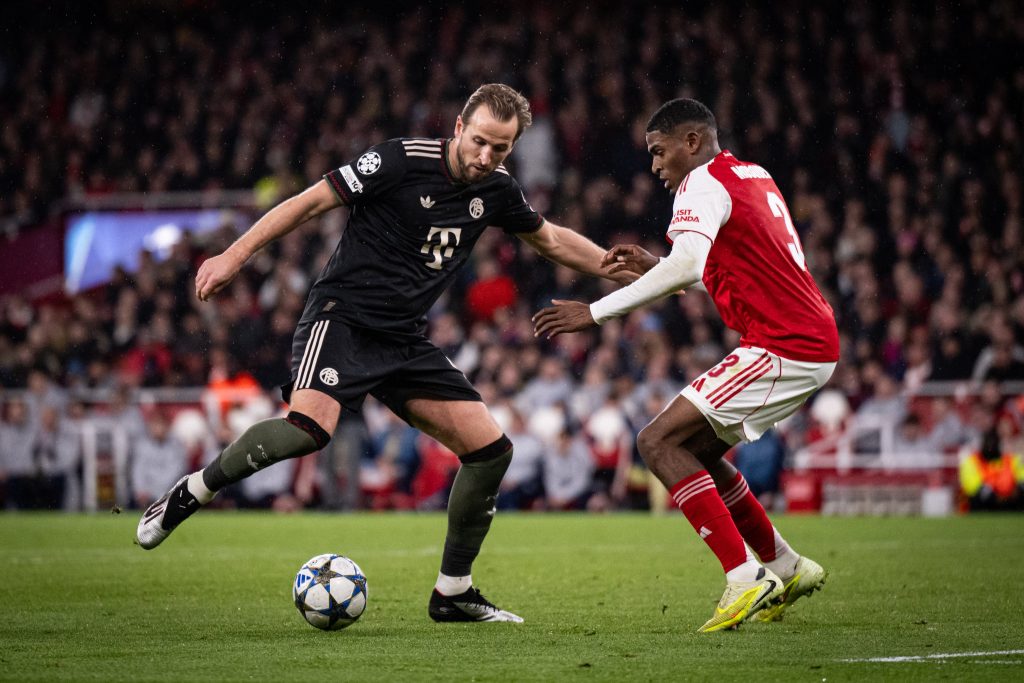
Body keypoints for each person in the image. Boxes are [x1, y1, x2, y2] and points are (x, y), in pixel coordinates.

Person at [136, 83, 630, 624]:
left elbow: (554, 241)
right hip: (342, 319)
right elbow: (309, 202)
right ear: (459, 127)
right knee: (308, 428)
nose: (487, 157)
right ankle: (191, 492)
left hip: (404, 338)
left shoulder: (497, 190)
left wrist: (635, 272)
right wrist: (235, 255)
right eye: (482, 142)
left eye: (502, 149)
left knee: (491, 451)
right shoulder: (397, 160)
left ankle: (453, 593)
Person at [533, 98, 840, 632]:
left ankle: (746, 579)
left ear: (691, 142)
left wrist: (596, 312)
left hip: (784, 343)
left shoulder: (699, 183)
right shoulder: (752, 173)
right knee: (694, 450)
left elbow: (688, 265)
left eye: (658, 151)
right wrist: (661, 266)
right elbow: (729, 268)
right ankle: (787, 567)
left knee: (654, 442)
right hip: (804, 338)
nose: (655, 166)